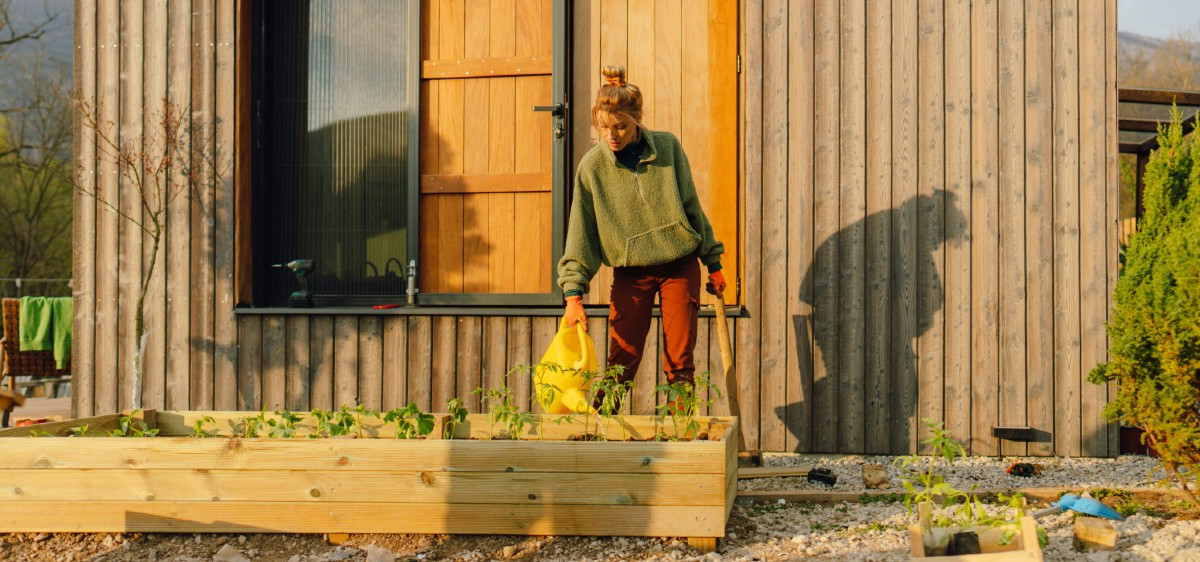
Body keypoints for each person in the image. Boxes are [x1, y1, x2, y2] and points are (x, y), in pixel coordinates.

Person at [557, 64, 726, 398]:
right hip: (631, 274)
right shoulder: (592, 168)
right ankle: (602, 426)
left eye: (620, 126)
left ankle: (682, 428)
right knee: (621, 363)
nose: (612, 135)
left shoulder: (667, 148)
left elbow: (691, 206)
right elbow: (580, 233)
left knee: (680, 363)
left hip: (679, 266)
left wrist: (714, 262)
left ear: (638, 119)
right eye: (604, 127)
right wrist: (573, 296)